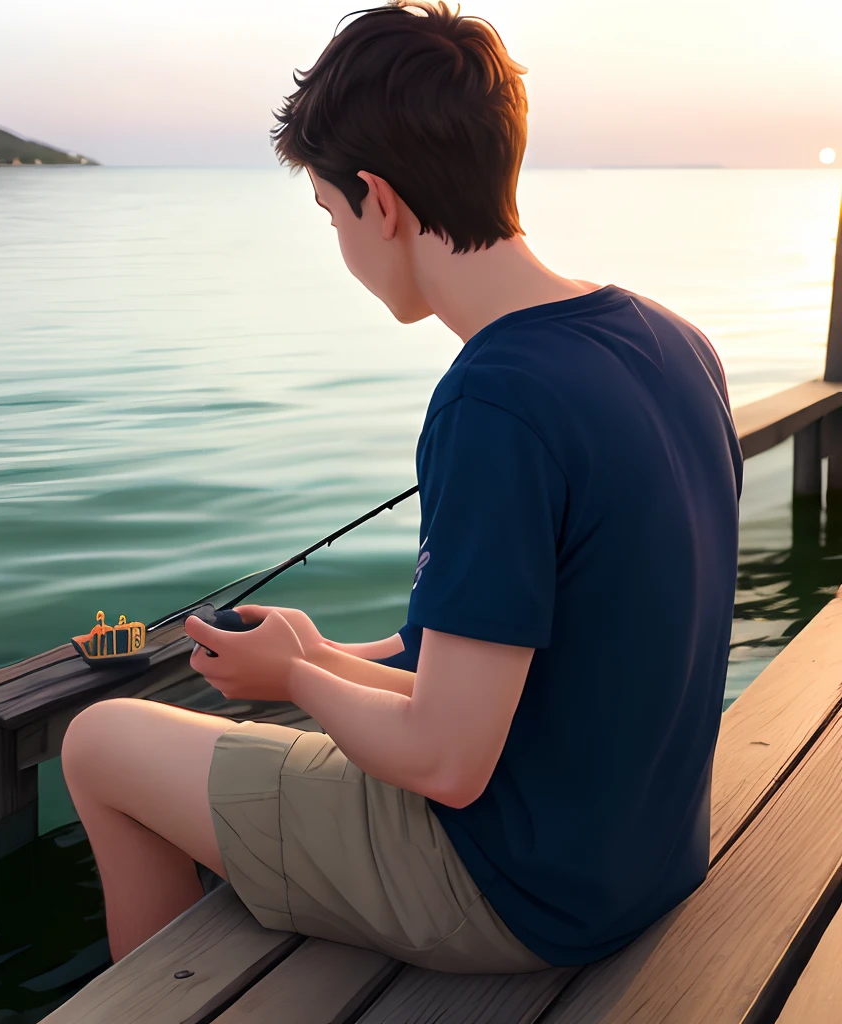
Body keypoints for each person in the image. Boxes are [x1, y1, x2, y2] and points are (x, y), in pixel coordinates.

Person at [60, 0, 743, 973]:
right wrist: (322, 653)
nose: (340, 241)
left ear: (377, 202)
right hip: (644, 858)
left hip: (515, 891)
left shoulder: (493, 402)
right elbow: (533, 673)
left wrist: (291, 678)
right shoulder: (675, 343)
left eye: (331, 213)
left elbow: (447, 761)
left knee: (100, 741)